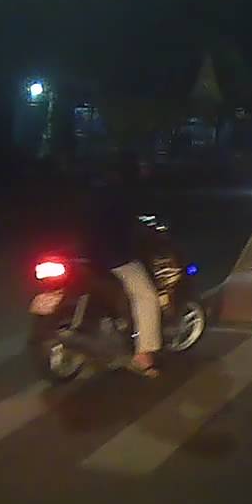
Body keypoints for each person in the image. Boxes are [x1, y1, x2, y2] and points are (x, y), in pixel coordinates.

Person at [84, 153, 161, 377]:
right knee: (147, 296)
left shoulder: (93, 190)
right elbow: (131, 227)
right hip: (113, 258)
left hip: (83, 255)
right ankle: (143, 356)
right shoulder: (121, 194)